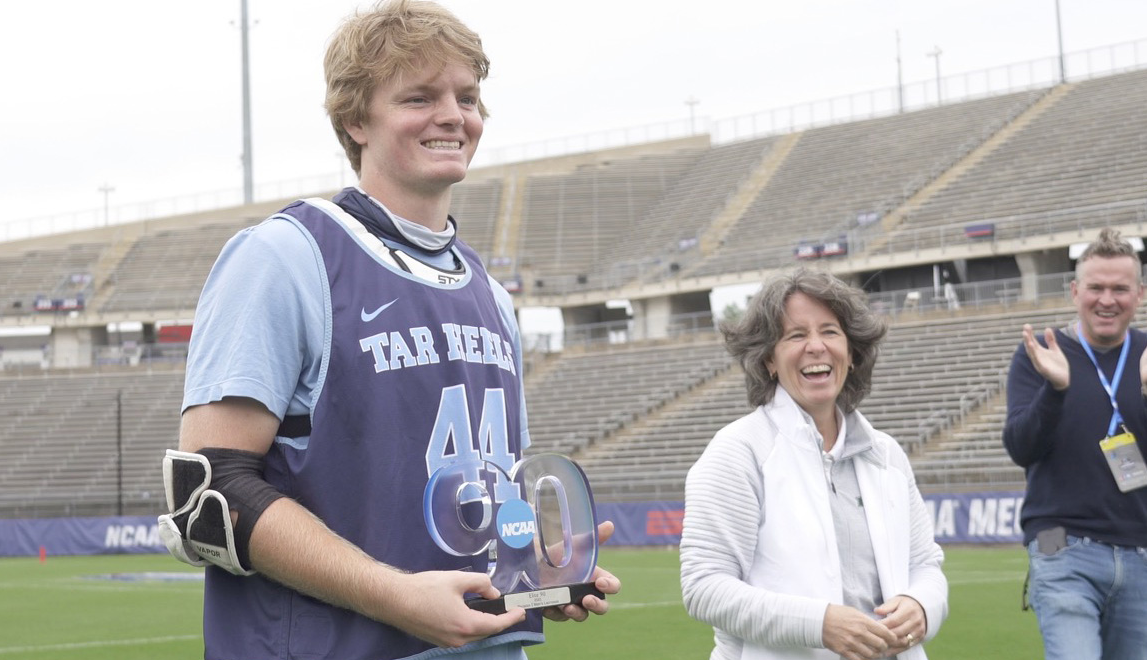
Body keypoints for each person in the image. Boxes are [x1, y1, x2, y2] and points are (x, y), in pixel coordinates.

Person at [156, 2, 619, 659]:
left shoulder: (490, 293)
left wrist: (537, 578)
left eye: (468, 96)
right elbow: (210, 491)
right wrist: (390, 594)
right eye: (418, 96)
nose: (454, 115)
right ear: (355, 119)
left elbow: (495, 494)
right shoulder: (287, 256)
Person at [680, 267, 948, 660]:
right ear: (769, 360)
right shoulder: (738, 451)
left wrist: (922, 605)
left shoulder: (886, 454)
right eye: (796, 335)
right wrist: (819, 624)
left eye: (829, 331)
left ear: (852, 352)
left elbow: (925, 564)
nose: (816, 346)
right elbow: (704, 587)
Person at [1003, 227, 1147, 660]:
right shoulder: (1044, 352)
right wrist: (1055, 390)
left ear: (1139, 294)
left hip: (1140, 551)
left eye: (1119, 288)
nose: (1107, 299)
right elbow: (1020, 448)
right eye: (1095, 287)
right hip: (1058, 544)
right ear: (1074, 290)